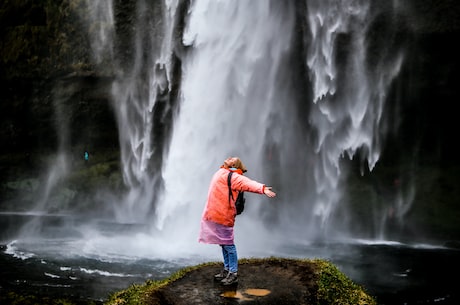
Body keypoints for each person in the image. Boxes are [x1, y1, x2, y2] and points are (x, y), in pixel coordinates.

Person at [198, 156, 277, 285]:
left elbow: (248, 184)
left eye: (232, 159)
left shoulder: (234, 177)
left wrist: (262, 189)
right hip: (215, 214)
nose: (229, 158)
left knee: (228, 244)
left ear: (234, 165)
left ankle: (233, 274)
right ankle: (227, 269)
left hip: (224, 215)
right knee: (222, 243)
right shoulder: (222, 172)